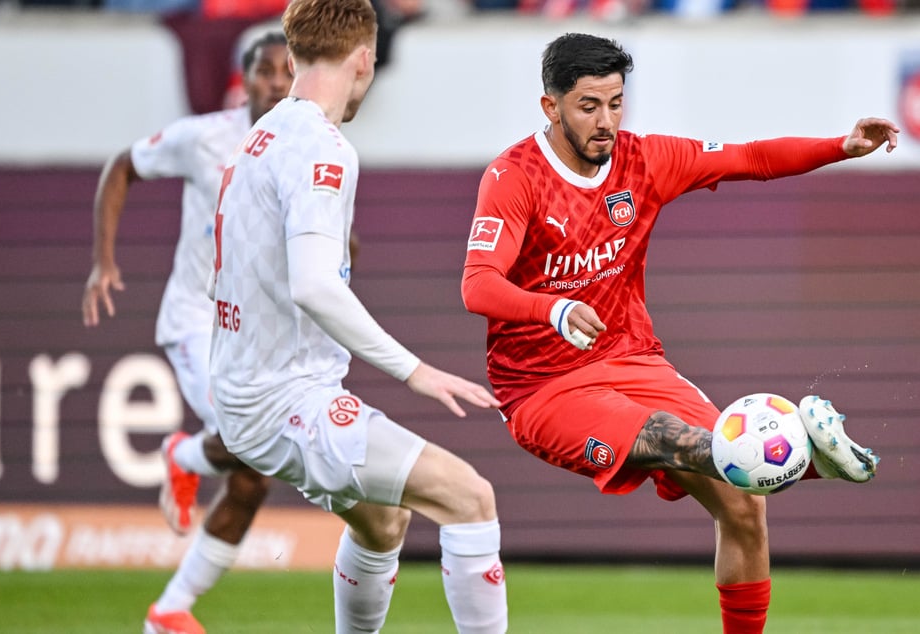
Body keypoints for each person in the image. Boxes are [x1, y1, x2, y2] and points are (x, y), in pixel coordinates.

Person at [461, 33, 894, 634]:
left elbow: (751, 159)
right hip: (544, 389)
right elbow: (477, 285)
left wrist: (841, 146)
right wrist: (552, 310)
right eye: (589, 106)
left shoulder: (644, 160)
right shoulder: (514, 177)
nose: (606, 120)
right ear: (550, 107)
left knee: (745, 505)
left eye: (616, 102)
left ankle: (796, 461)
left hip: (632, 359)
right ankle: (808, 457)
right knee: (672, 439)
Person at [207, 1, 509, 632]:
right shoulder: (325, 147)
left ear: (290, 59)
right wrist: (415, 372)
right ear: (365, 60)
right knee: (470, 498)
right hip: (284, 400)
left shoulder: (258, 137)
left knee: (383, 519)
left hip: (246, 387)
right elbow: (314, 286)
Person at [82, 32, 294, 634]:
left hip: (257, 331)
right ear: (243, 79)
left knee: (254, 477)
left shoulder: (309, 150)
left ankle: (170, 609)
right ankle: (186, 453)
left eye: (287, 71)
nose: (276, 82)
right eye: (265, 71)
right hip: (197, 321)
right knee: (246, 442)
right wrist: (104, 260)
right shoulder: (203, 137)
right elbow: (123, 165)